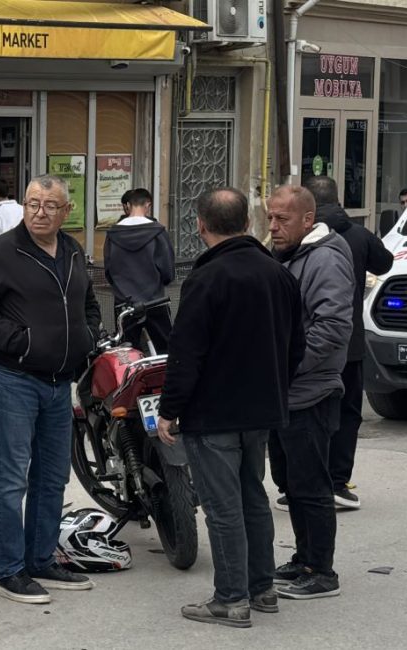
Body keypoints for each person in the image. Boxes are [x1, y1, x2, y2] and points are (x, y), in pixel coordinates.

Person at [155, 188, 304, 628]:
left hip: (215, 413)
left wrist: (169, 410)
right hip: (261, 410)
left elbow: (186, 353)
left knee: (223, 508)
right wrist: (275, 386)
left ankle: (231, 599)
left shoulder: (206, 278)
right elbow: (297, 345)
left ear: (200, 224)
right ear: (249, 222)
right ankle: (263, 588)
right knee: (252, 497)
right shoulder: (278, 274)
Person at [0, 174, 102, 604]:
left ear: (66, 212)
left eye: (49, 205)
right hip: (14, 381)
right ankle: (9, 571)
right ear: (23, 207)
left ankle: (41, 559)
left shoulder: (74, 252)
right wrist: (23, 342)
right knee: (9, 481)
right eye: (33, 203)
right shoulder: (3, 252)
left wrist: (89, 338)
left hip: (60, 384)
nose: (40, 212)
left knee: (52, 477)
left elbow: (90, 306)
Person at [266, 184, 354, 600]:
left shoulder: (325, 259)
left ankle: (322, 571)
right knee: (292, 483)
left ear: (307, 220)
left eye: (282, 219)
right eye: (269, 217)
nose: (273, 226)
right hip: (286, 393)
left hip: (310, 392)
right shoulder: (291, 255)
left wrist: (285, 369)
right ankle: (303, 558)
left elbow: (333, 329)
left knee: (312, 485)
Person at [303, 176, 394, 510]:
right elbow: (385, 262)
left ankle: (301, 482)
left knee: (308, 413)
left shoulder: (298, 236)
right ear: (338, 198)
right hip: (349, 341)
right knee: (347, 414)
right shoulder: (357, 234)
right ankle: (338, 482)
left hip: (307, 343)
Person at [103, 187, 175, 353]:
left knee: (127, 355)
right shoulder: (158, 232)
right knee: (166, 353)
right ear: (148, 205)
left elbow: (109, 270)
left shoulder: (113, 234)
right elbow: (167, 271)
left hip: (124, 304)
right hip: (155, 301)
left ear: (128, 205)